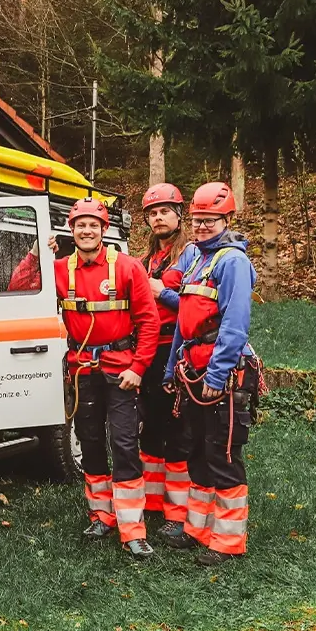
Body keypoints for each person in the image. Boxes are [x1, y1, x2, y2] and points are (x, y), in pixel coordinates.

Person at [162, 182, 263, 566]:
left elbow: (234, 327)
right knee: (196, 452)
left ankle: (228, 540)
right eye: (197, 220)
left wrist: (216, 378)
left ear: (227, 219)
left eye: (209, 220)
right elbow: (183, 324)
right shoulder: (197, 259)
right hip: (192, 367)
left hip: (221, 373)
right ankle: (198, 527)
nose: (201, 226)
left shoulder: (231, 262)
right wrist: (173, 367)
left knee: (222, 454)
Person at [55, 198, 160, 558]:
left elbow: (149, 321)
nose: (86, 231)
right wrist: (33, 255)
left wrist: (138, 367)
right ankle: (101, 514)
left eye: (93, 225)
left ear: (104, 230)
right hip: (83, 369)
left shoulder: (128, 267)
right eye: (80, 225)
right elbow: (20, 286)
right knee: (90, 441)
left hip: (121, 370)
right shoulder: (59, 268)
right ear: (72, 230)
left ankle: (133, 529)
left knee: (125, 444)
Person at [136, 183, 198, 543]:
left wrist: (164, 292)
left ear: (178, 214)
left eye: (164, 211)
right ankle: (152, 503)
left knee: (178, 431)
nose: (158, 218)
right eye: (153, 213)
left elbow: (197, 306)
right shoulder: (144, 260)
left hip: (175, 350)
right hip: (146, 351)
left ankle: (178, 513)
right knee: (151, 428)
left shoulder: (190, 255)